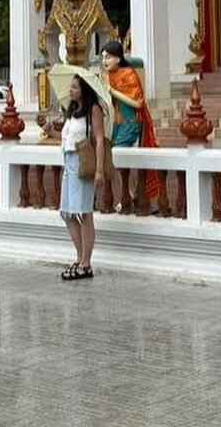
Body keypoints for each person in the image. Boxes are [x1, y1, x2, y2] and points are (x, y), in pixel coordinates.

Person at [100, 40, 159, 214]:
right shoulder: (108, 76)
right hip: (118, 122)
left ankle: (133, 194)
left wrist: (112, 90)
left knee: (122, 157)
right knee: (118, 160)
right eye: (103, 57)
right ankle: (131, 194)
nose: (105, 61)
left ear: (118, 59)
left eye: (108, 57)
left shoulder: (128, 74)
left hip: (131, 122)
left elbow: (138, 103)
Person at [59, 74, 106, 281]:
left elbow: (100, 139)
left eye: (75, 87)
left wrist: (99, 170)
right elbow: (70, 138)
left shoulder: (93, 110)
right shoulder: (72, 112)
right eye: (71, 87)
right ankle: (79, 257)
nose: (71, 90)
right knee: (67, 213)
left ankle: (86, 262)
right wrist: (51, 131)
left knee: (84, 213)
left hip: (83, 163)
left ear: (84, 90)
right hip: (68, 162)